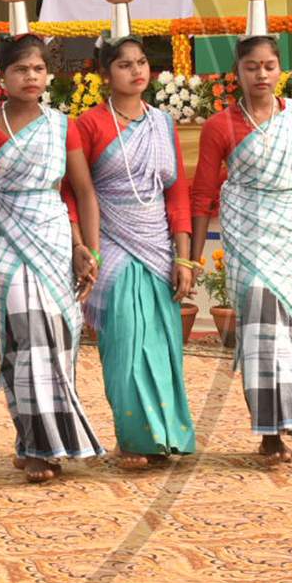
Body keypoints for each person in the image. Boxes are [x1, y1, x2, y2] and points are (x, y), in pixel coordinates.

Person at [190, 35, 292, 464]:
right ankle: (269, 433)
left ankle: (283, 422)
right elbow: (203, 195)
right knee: (260, 330)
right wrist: (190, 259)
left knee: (288, 333)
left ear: (279, 70)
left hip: (290, 230)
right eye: (251, 67)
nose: (261, 74)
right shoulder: (219, 126)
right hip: (245, 233)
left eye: (268, 66)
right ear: (237, 73)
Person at [0, 35, 105, 484]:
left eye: (38, 70)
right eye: (21, 70)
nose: (31, 78)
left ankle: (36, 441)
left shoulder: (64, 126)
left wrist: (87, 247)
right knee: (26, 341)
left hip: (54, 239)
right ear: (1, 75)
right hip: (5, 244)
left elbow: (80, 190)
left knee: (58, 342)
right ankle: (40, 444)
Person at [76, 37, 196, 467]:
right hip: (112, 243)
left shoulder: (162, 123)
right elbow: (75, 192)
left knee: (163, 346)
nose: (136, 71)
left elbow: (177, 193)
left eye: (142, 62)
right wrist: (84, 250)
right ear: (105, 75)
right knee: (125, 344)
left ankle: (167, 437)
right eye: (124, 65)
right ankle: (133, 438)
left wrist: (183, 256)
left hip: (159, 245)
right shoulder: (88, 125)